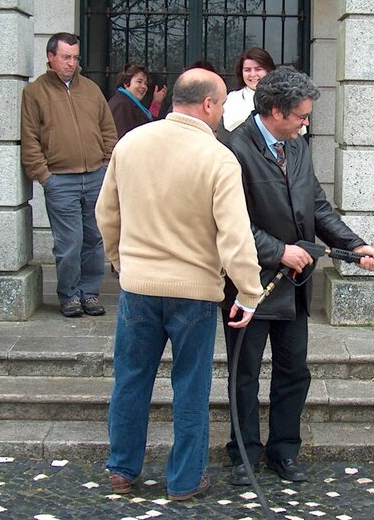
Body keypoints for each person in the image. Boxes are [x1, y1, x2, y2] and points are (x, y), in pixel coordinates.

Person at [95, 67, 265, 501]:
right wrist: (249, 292)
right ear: (208, 104)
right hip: (194, 293)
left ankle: (121, 469)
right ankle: (185, 480)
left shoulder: (131, 143)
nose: (224, 111)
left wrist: (120, 261)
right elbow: (234, 235)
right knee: (191, 386)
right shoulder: (218, 157)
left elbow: (106, 212)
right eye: (223, 103)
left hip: (139, 286)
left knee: (131, 379)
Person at [222, 65, 374, 485]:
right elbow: (228, 223)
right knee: (245, 374)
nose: (306, 124)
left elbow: (317, 206)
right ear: (275, 111)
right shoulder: (233, 148)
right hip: (250, 285)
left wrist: (354, 245)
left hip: (294, 286)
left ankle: (283, 451)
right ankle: (243, 454)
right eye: (301, 116)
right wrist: (279, 251)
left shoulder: (296, 146)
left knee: (294, 371)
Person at [21, 32, 118, 318]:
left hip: (94, 176)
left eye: (75, 58)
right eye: (66, 57)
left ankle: (90, 293)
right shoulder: (35, 92)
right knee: (69, 242)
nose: (71, 63)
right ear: (50, 57)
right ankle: (69, 295)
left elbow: (108, 130)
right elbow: (29, 138)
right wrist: (44, 175)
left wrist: (105, 163)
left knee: (94, 240)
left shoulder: (90, 89)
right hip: (60, 179)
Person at [107, 63, 167, 139]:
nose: (144, 86)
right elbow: (121, 138)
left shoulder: (128, 102)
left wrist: (156, 104)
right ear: (126, 83)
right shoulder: (121, 104)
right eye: (139, 81)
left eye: (146, 83)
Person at [222, 47, 275, 132]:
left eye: (258, 69)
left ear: (269, 70)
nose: (252, 74)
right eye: (247, 70)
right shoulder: (232, 98)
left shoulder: (282, 96)